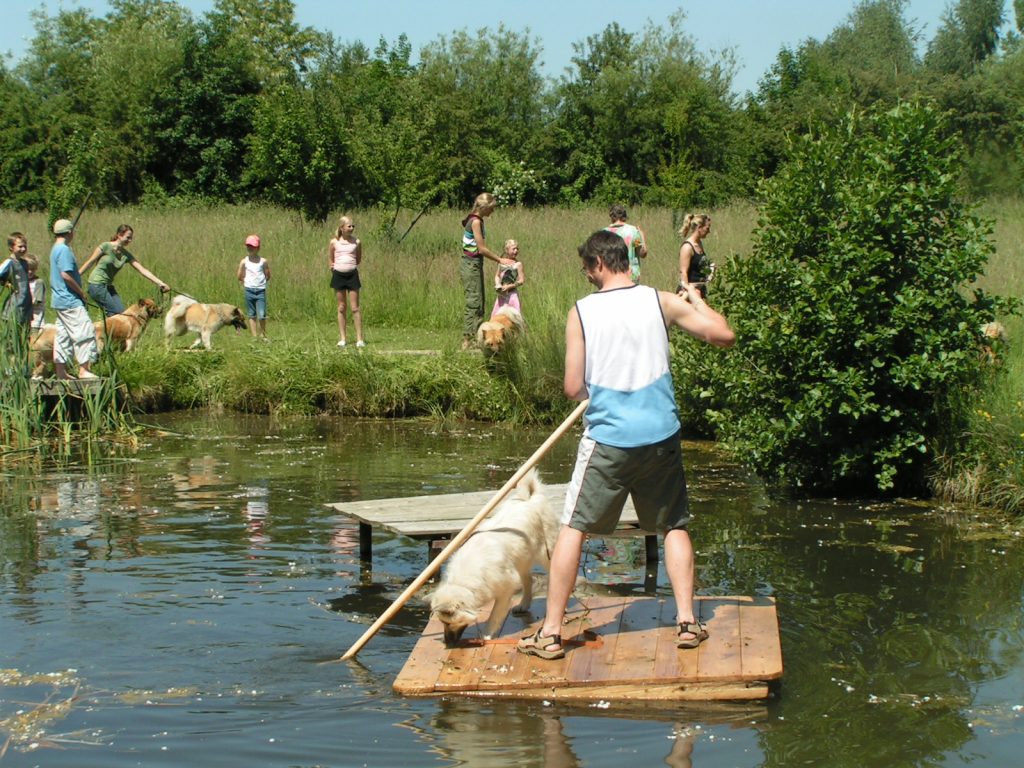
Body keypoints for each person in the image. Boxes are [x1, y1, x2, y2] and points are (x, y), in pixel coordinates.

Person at [516, 230, 735, 660]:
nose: (587, 277)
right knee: (673, 524)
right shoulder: (661, 301)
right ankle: (688, 622)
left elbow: (573, 386)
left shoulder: (581, 311)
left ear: (599, 264)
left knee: (573, 528)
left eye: (587, 269)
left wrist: (592, 395)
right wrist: (694, 297)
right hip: (661, 436)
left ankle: (551, 634)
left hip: (610, 440)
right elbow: (724, 335)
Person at [460, 192, 515, 349]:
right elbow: (482, 249)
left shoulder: (476, 219)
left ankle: (478, 339)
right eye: (492, 208)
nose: (493, 211)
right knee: (474, 302)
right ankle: (467, 340)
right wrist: (500, 259)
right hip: (471, 264)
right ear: (484, 207)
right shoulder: (476, 221)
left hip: (475, 263)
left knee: (479, 300)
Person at [80, 225, 170, 315]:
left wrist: (160, 283)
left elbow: (142, 270)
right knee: (115, 314)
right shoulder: (105, 246)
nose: (130, 240)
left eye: (131, 238)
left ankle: (109, 328)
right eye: (128, 237)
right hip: (96, 285)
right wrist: (75, 276)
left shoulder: (125, 254)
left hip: (108, 286)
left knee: (122, 314)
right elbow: (90, 262)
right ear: (119, 235)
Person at [49, 218, 99, 380]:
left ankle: (61, 372)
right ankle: (83, 370)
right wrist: (81, 293)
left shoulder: (55, 249)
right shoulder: (64, 250)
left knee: (63, 335)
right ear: (70, 232)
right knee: (85, 331)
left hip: (59, 300)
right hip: (69, 300)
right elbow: (66, 275)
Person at [328, 215, 365, 348]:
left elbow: (358, 259)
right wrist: (333, 267)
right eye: (349, 226)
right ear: (342, 228)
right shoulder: (334, 242)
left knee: (355, 307)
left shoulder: (357, 242)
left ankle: (359, 339)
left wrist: (349, 266)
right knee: (342, 307)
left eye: (353, 226)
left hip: (352, 276)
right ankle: (343, 338)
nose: (352, 228)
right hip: (339, 276)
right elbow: (331, 258)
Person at [237, 234, 270, 341]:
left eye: (253, 246)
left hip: (260, 291)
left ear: (258, 248)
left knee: (262, 314)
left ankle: (263, 335)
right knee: (251, 314)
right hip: (249, 290)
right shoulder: (244, 261)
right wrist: (246, 282)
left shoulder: (263, 261)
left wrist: (261, 283)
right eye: (248, 246)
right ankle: (254, 336)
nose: (250, 248)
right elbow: (239, 275)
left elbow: (267, 275)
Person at [604, 203, 648, 284]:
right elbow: (642, 253)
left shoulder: (603, 233)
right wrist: (642, 236)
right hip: (631, 276)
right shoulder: (633, 231)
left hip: (610, 276)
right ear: (624, 216)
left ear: (611, 216)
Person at [677, 213, 714, 299]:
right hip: (690, 292)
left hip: (699, 290)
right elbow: (683, 272)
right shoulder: (687, 247)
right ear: (699, 228)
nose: (709, 231)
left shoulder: (699, 243)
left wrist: (711, 268)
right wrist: (688, 292)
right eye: (707, 228)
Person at [1, 232, 33, 327]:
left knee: (24, 338)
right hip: (14, 307)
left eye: (25, 246)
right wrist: (6, 283)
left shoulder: (24, 263)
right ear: (11, 247)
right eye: (20, 246)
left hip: (25, 306)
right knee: (12, 338)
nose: (23, 249)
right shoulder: (9, 263)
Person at [492, 239, 525, 316]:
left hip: (512, 295)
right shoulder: (502, 262)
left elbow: (521, 280)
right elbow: (497, 275)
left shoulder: (518, 264)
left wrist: (510, 286)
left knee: (515, 317)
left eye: (517, 249)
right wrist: (498, 284)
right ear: (507, 250)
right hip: (502, 295)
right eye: (513, 249)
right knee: (497, 316)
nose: (516, 251)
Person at [25, 255, 46, 331]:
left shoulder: (38, 282)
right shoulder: (24, 283)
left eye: (32, 269)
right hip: (25, 320)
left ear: (36, 269)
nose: (30, 271)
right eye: (28, 269)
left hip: (36, 321)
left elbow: (36, 302)